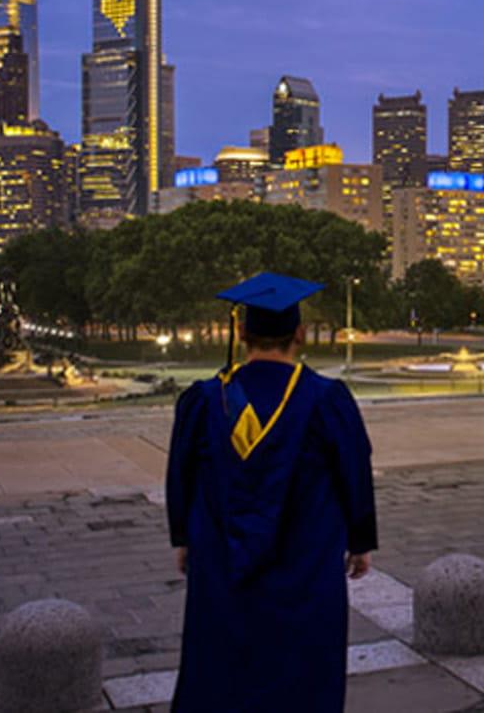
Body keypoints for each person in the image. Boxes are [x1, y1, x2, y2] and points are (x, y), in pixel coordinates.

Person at [166, 273, 378, 712]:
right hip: (305, 566)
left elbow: (179, 475)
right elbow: (354, 472)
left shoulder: (206, 401)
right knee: (302, 671)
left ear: (241, 332)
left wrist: (183, 537)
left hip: (222, 564)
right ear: (300, 334)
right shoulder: (327, 400)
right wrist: (360, 542)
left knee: (221, 666)